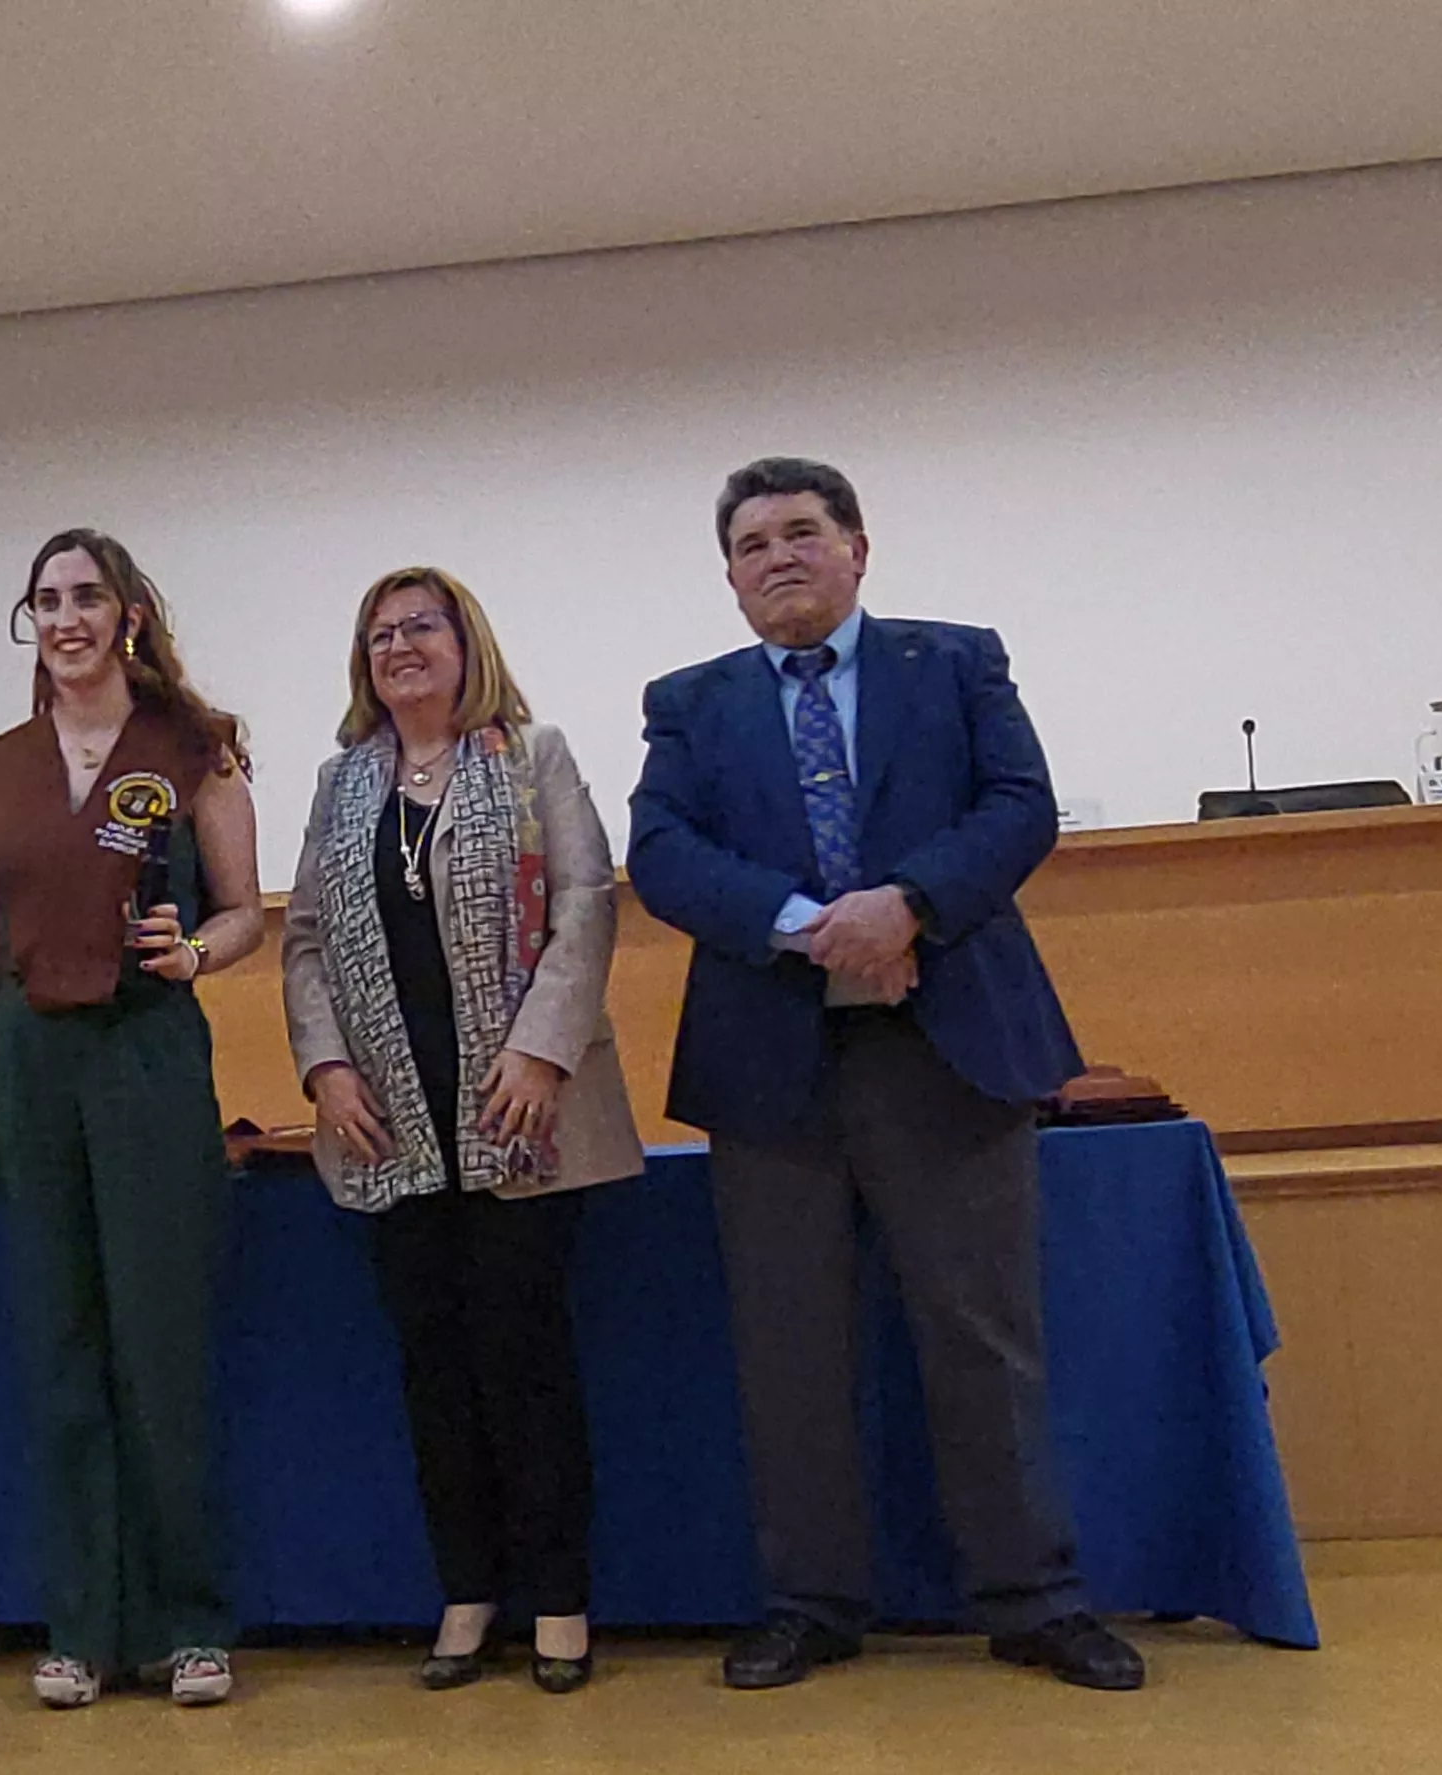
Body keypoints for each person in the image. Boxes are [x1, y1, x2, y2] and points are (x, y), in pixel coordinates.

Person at [626, 458, 1144, 1693]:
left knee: (984, 1336)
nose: (779, 557)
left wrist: (906, 904)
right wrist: (813, 925)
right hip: (773, 1062)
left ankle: (1034, 1599)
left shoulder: (955, 663)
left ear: (858, 548)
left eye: (803, 532)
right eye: (752, 545)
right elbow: (662, 851)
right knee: (790, 1348)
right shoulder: (690, 702)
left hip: (950, 1044)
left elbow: (1020, 807)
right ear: (730, 578)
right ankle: (811, 1603)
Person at [278, 567, 640, 1695]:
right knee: (434, 1373)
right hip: (391, 1127)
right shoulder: (343, 782)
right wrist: (325, 1066)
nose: (399, 646)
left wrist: (541, 1050)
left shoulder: (532, 757)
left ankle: (560, 1599)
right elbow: (303, 938)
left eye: (420, 626)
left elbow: (586, 903)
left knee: (525, 1365)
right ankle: (467, 1591)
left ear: (463, 640)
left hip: (524, 1116)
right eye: (378, 634)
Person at [0, 528, 262, 1709]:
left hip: (148, 1049)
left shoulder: (194, 747)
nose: (66, 618)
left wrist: (196, 953)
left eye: (87, 596)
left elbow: (244, 913)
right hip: (31, 1059)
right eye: (47, 600)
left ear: (128, 613)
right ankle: (81, 1623)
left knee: (160, 1344)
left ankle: (189, 1621)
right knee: (59, 1344)